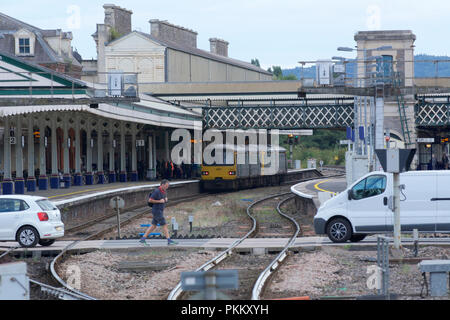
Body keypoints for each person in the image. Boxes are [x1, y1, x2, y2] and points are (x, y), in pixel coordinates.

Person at [139, 180, 178, 246]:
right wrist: (159, 201)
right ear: (162, 185)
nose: (167, 187)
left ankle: (143, 239)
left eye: (167, 186)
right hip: (157, 211)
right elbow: (150, 200)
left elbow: (164, 199)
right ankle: (169, 240)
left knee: (153, 226)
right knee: (164, 224)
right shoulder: (156, 191)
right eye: (166, 186)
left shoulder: (164, 191)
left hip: (160, 211)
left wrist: (165, 200)